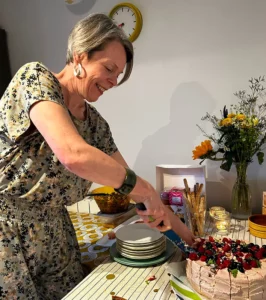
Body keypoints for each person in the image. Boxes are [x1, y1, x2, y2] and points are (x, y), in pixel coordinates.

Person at [0, 13, 194, 299]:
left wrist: (191, 241)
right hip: (8, 231)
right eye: (109, 69)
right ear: (79, 56)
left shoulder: (96, 125)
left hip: (58, 233)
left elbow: (133, 189)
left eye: (118, 75)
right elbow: (73, 154)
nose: (113, 81)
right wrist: (145, 189)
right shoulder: (35, 79)